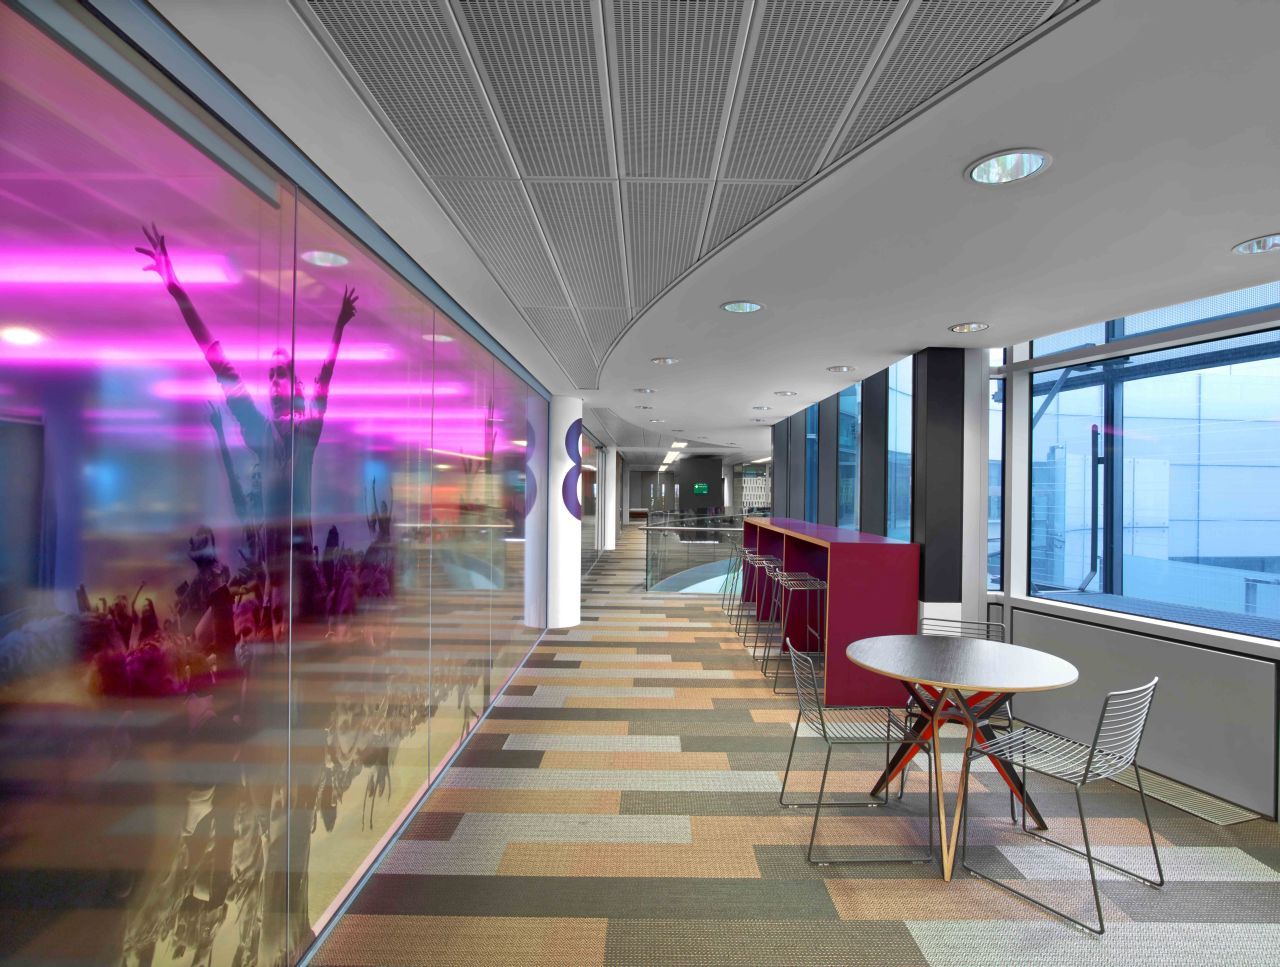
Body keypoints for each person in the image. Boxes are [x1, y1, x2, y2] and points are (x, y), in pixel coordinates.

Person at [137, 224, 357, 626]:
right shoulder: (260, 432)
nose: (273, 382)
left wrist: (338, 328)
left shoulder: (306, 434)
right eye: (269, 375)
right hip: (270, 580)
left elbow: (325, 377)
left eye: (281, 374)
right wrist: (176, 288)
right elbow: (218, 362)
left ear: (294, 384)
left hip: (301, 579)